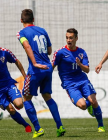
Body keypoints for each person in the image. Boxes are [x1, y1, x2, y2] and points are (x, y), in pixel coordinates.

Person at [17, 9, 65, 138]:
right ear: (33, 20)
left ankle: (38, 129)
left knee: (26, 98)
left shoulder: (21, 33)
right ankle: (60, 126)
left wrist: (35, 62)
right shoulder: (43, 31)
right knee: (47, 96)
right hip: (48, 68)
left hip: (36, 70)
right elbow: (49, 51)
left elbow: (27, 46)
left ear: (21, 20)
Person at [51, 28, 105, 132]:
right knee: (83, 105)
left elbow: (87, 70)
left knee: (94, 101)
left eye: (71, 38)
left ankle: (101, 126)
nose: (68, 40)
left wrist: (80, 64)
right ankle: (88, 106)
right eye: (67, 38)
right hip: (70, 84)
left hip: (83, 80)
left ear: (76, 38)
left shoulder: (81, 52)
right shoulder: (60, 53)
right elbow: (51, 67)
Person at [0, 31, 32, 133]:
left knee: (19, 105)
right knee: (11, 109)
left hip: (8, 84)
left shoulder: (4, 52)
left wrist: (25, 76)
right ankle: (26, 126)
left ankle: (10, 97)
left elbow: (17, 61)